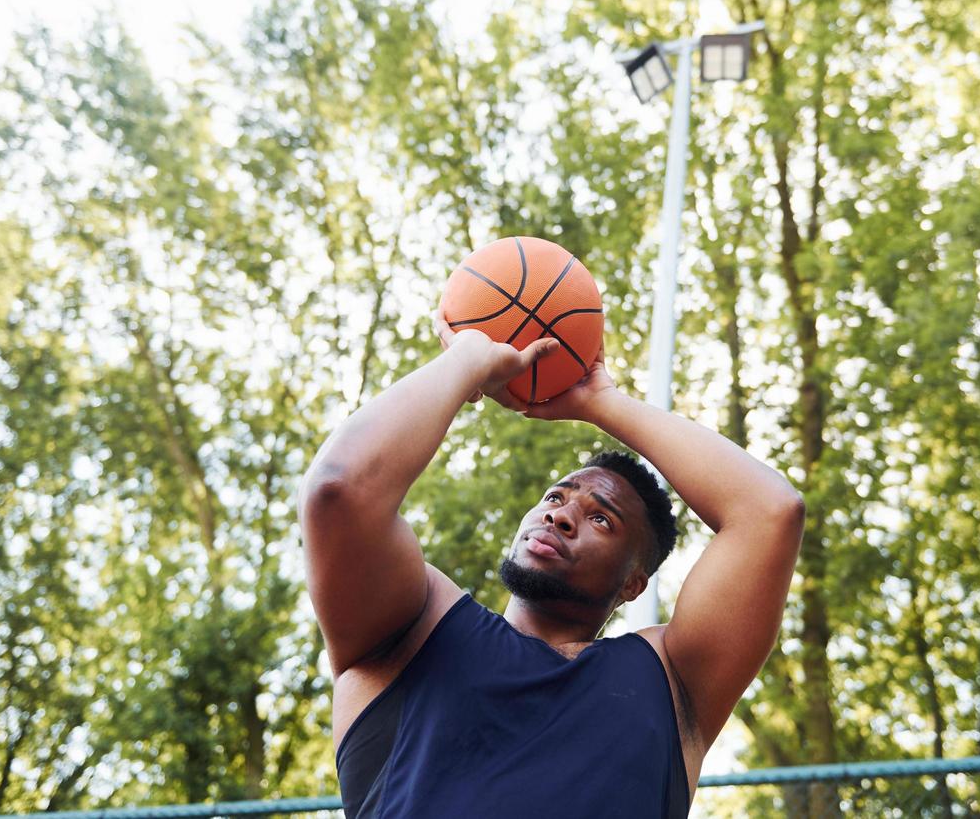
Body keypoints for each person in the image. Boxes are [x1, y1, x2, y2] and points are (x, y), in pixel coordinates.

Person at [297, 312, 805, 817]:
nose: (561, 515)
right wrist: (470, 360)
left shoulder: (673, 681)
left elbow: (770, 513)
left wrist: (601, 403)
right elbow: (339, 491)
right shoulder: (415, 629)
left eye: (602, 519)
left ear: (634, 583)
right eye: (555, 496)